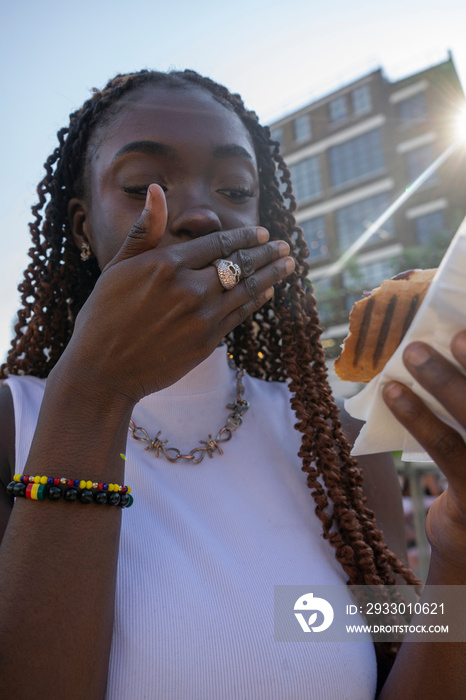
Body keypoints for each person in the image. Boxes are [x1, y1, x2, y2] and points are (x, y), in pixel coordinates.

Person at [0, 69, 465, 700]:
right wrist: (94, 393)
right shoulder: (15, 424)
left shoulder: (332, 441)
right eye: (143, 186)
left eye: (235, 188)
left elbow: (407, 658)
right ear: (82, 227)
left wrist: (456, 551)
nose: (198, 212)